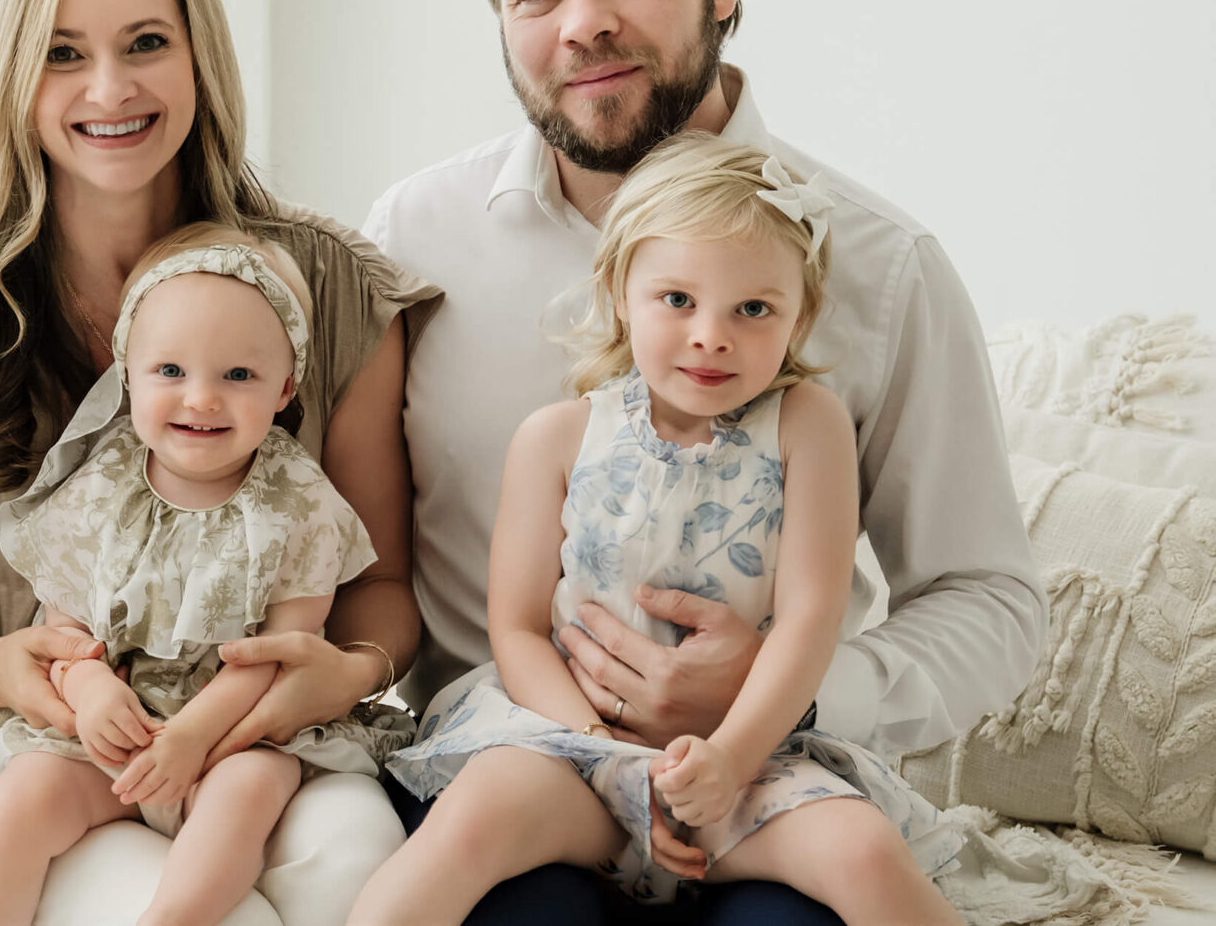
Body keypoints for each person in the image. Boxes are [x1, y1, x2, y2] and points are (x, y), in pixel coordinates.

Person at [364, 0, 1044, 923]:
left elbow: (989, 598)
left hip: (763, 776)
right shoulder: (414, 238)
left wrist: (790, 694)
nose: (583, 23)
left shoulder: (880, 263)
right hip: (519, 773)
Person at [0, 0, 440, 926]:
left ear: (198, 57)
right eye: (61, 53)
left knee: (351, 871)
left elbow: (381, 585)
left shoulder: (329, 290)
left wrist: (345, 673)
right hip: (1, 743)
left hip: (259, 734)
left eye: (145, 42)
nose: (108, 87)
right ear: (9, 75)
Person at [353, 134, 962, 925]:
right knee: (470, 822)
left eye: (753, 308)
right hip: (569, 754)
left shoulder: (807, 425)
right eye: (678, 300)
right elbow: (516, 629)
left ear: (800, 313)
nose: (712, 334)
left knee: (865, 853)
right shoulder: (557, 436)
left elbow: (809, 619)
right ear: (619, 293)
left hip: (742, 759)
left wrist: (728, 758)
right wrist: (600, 755)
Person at [0, 225, 412, 926]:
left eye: (238, 375)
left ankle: (171, 918)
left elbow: (278, 654)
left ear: (285, 386)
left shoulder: (298, 501)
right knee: (23, 794)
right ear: (128, 374)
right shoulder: (100, 483)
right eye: (170, 371)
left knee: (249, 791)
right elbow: (64, 625)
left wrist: (195, 737)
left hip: (235, 731)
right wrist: (88, 688)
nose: (201, 399)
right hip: (114, 731)